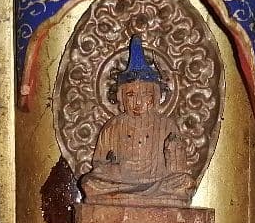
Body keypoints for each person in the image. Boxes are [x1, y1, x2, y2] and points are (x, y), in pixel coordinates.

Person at [79, 37, 194, 207]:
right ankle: (134, 195)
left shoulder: (167, 125)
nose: (138, 102)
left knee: (185, 182)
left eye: (145, 95)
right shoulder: (113, 127)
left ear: (156, 97)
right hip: (120, 183)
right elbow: (99, 163)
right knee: (89, 183)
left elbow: (177, 169)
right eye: (131, 95)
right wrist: (112, 169)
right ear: (121, 98)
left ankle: (138, 196)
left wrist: (175, 157)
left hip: (159, 183)